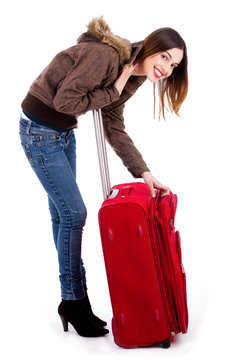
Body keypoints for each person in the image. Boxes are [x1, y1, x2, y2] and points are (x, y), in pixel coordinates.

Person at [19, 16, 188, 338]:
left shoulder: (132, 77)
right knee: (74, 214)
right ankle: (73, 299)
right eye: (165, 56)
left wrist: (143, 172)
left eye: (174, 65)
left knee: (62, 214)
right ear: (151, 47)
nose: (167, 68)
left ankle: (74, 302)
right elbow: (65, 101)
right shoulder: (109, 57)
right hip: (39, 132)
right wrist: (113, 88)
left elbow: (113, 126)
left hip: (62, 134)